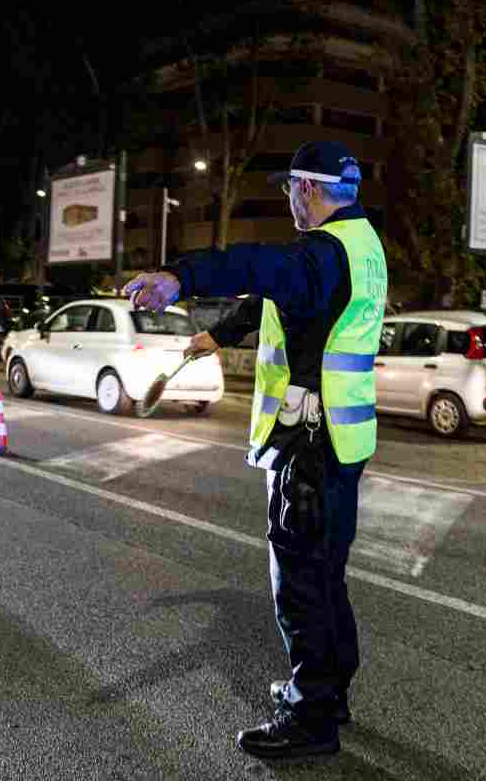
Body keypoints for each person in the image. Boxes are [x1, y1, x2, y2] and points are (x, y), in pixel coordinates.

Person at [126, 141, 387, 761]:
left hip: (310, 444)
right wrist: (217, 335)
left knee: (299, 580)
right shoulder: (362, 246)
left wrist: (179, 276)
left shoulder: (320, 253)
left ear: (307, 189)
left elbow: (259, 269)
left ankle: (309, 718)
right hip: (343, 437)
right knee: (327, 574)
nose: (287, 200)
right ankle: (329, 692)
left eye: (289, 188)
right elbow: (273, 296)